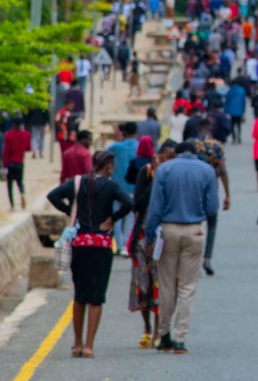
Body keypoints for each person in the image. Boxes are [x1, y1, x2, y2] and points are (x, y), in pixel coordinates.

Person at [48, 151, 134, 358]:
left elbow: (52, 196)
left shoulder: (77, 182)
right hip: (101, 245)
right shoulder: (111, 186)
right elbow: (129, 204)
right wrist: (112, 220)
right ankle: (89, 346)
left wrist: (71, 211)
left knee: (79, 294)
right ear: (109, 167)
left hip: (79, 243)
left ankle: (76, 344)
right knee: (96, 297)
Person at [144, 141, 219, 354]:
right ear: (196, 154)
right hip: (194, 230)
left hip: (168, 230)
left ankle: (164, 334)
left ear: (176, 153)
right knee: (188, 286)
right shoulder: (207, 170)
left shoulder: (165, 169)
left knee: (167, 284)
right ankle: (180, 337)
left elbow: (155, 206)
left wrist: (150, 236)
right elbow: (212, 208)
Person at [128, 138, 169, 349]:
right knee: (142, 284)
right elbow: (138, 202)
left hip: (162, 239)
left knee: (159, 285)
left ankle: (158, 330)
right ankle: (146, 328)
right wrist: (155, 177)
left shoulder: (170, 175)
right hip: (143, 237)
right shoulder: (146, 172)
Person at [189, 118, 230, 276]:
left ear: (198, 128)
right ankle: (207, 258)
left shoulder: (191, 144)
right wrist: (228, 195)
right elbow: (223, 169)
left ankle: (193, 259)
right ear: (210, 129)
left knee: (193, 222)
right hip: (211, 186)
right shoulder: (216, 145)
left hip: (193, 187)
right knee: (212, 222)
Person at [107, 123, 140, 256]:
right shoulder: (138, 147)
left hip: (117, 187)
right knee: (131, 217)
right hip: (133, 188)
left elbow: (103, 157)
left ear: (123, 133)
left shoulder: (115, 147)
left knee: (116, 217)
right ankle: (127, 245)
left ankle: (119, 245)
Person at [3, 118, 32, 209]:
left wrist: (4, 164)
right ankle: (22, 193)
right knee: (20, 182)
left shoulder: (8, 135)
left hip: (10, 163)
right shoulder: (26, 134)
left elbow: (6, 151)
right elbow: (28, 148)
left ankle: (12, 205)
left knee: (9, 185)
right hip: (20, 162)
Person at [225, 79, 248, 145]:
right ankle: (239, 137)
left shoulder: (230, 90)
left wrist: (226, 110)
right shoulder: (242, 90)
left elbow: (227, 101)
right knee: (238, 125)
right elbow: (244, 101)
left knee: (232, 125)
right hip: (239, 110)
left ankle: (234, 138)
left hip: (231, 111)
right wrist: (243, 110)